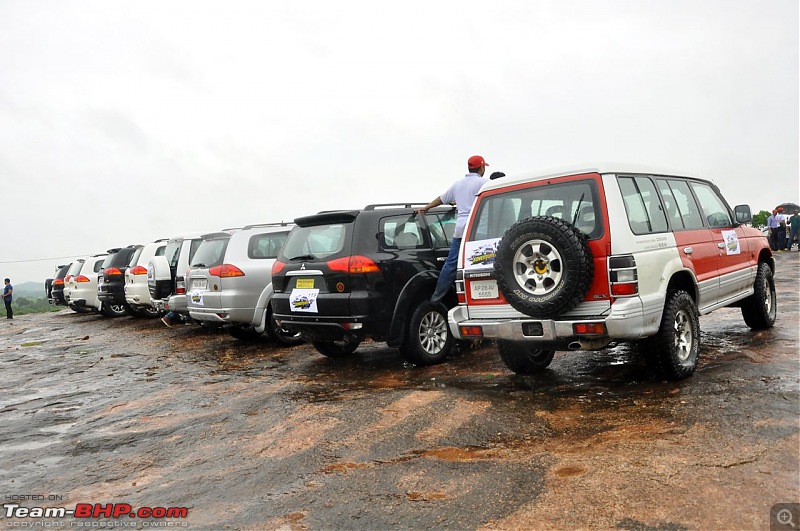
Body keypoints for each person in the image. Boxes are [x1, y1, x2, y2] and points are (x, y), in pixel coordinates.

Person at [417, 155, 489, 304]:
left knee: (451, 264)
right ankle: (480, 297)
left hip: (460, 229)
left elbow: (441, 198)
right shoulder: (484, 183)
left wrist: (426, 208)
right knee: (480, 263)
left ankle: (436, 299)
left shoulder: (458, 184)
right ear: (481, 168)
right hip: (477, 230)